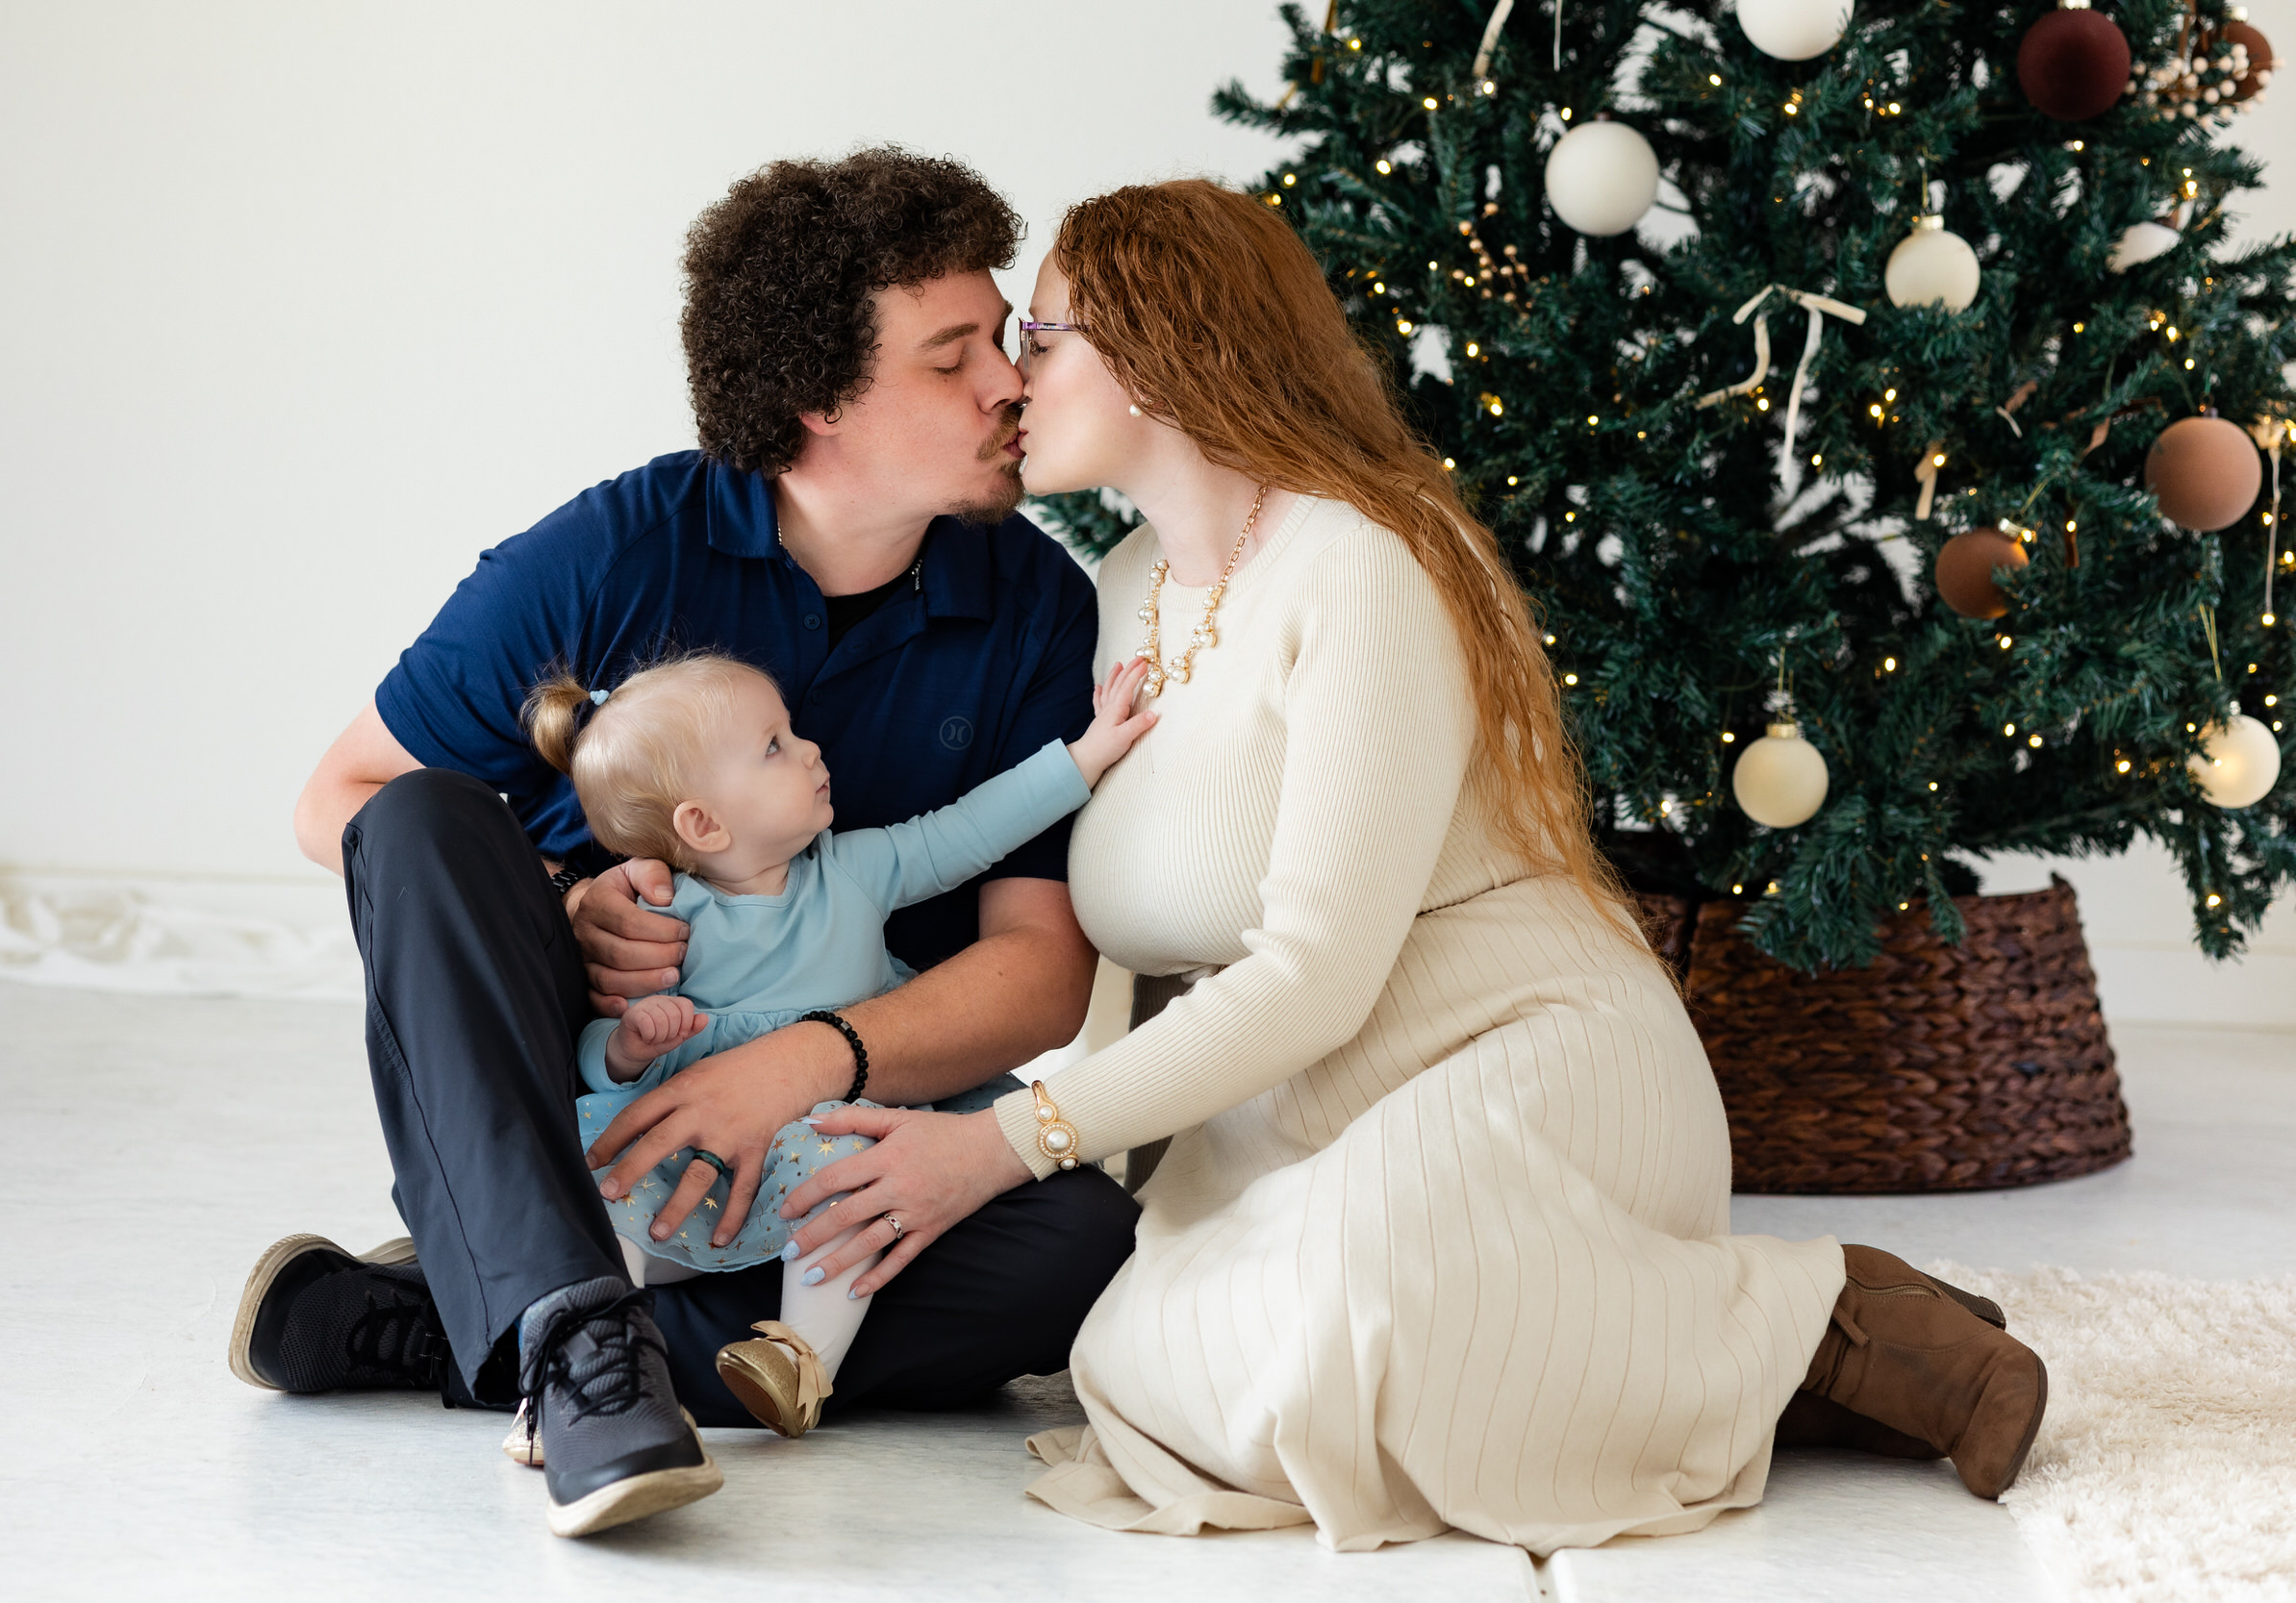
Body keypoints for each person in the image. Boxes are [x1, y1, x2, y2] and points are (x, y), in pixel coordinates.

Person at [737, 180, 2050, 1553]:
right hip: (1290, 1122)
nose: (1010, 380)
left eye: (1041, 338)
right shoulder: (1121, 588)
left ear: (1158, 358)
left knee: (1351, 1336)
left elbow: (1315, 969)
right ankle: (1679, 1343)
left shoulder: (1366, 559)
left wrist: (1005, 1143)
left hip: (1517, 1059)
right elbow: (1139, 958)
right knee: (1137, 1359)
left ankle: (1830, 1322)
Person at [223, 148, 1141, 1539]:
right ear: (816, 399)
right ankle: (574, 1322)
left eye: (1001, 341)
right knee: (421, 816)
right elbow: (335, 797)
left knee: (1077, 1246)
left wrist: (805, 1058)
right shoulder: (609, 552)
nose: (1008, 383)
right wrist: (565, 897)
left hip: (843, 1108)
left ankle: (472, 1316)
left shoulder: (1035, 604)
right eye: (952, 357)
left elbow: (1039, 971)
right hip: (598, 1074)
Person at [516, 649, 1153, 1439]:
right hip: (712, 1157)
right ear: (703, 823)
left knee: (850, 1181)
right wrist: (631, 1044)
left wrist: (1085, 756)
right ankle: (584, 1344)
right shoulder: (665, 919)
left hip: (830, 1130)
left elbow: (970, 830)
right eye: (775, 745)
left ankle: (799, 1364)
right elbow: (610, 1059)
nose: (811, 748)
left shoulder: (854, 869)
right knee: (598, 1160)